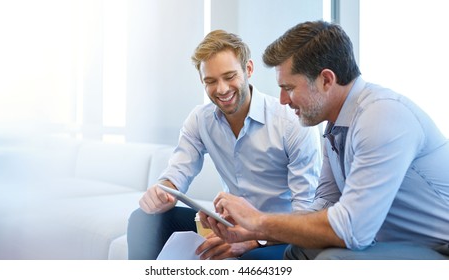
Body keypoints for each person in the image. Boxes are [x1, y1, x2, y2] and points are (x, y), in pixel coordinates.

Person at [209, 20, 449, 260]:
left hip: (440, 248)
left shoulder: (382, 116)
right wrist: (253, 231)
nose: (282, 100)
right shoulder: (336, 128)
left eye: (289, 88)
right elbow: (324, 207)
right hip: (398, 245)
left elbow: (351, 229)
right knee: (300, 250)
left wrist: (258, 221)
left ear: (326, 79)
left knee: (331, 262)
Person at [126, 30, 322, 260]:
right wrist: (162, 192)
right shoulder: (201, 120)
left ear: (248, 69)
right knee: (144, 220)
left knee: (248, 261)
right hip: (228, 226)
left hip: (279, 234)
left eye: (229, 77)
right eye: (211, 81)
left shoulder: (291, 123)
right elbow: (177, 173)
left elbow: (306, 214)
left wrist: (252, 238)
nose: (221, 89)